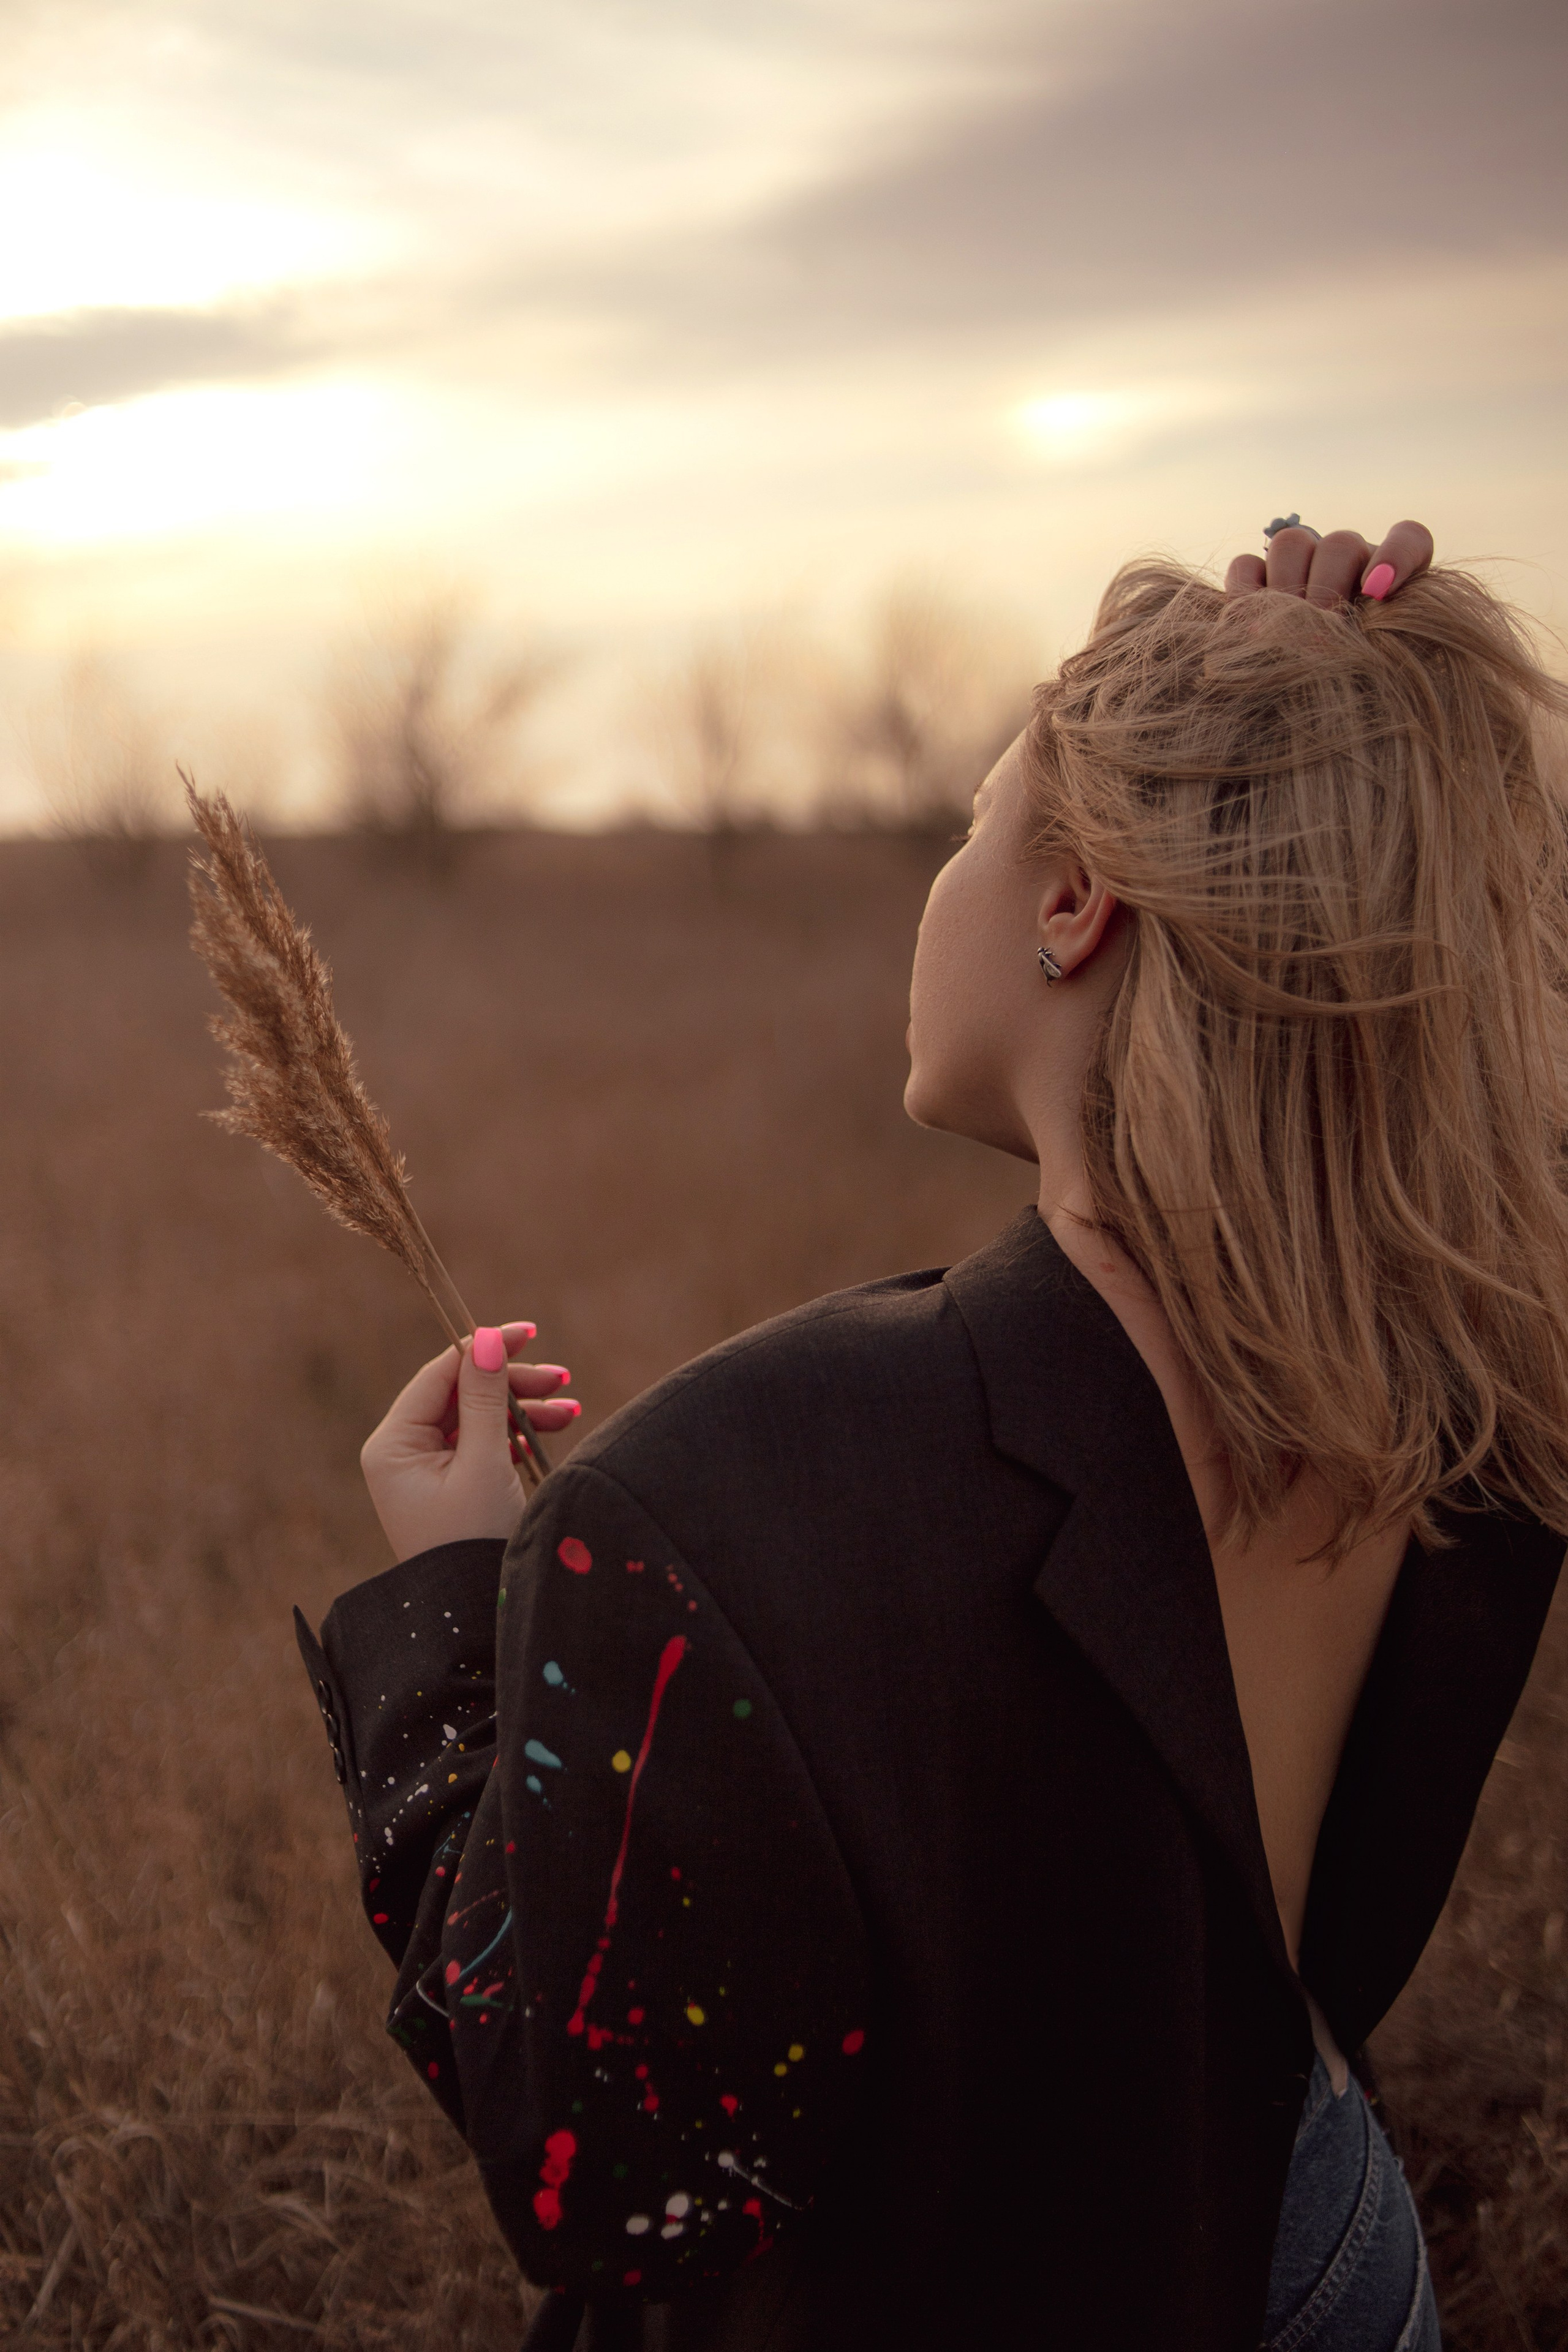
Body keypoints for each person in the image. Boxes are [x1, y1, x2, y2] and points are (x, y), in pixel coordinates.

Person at [298, 518, 1568, 2351]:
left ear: (1074, 906)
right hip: (1312, 2247)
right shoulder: (1453, 1389)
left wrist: (451, 1615)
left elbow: (594, 2167)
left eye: (973, 828)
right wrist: (1337, 756)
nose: (942, 881)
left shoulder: (729, 1490)